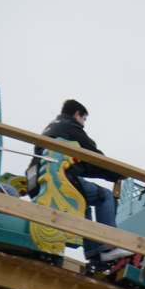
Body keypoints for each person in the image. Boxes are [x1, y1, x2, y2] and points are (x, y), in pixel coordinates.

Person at [32, 99, 121, 263]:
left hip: (40, 179)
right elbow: (93, 156)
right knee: (105, 196)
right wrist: (116, 173)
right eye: (84, 119)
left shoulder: (51, 128)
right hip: (62, 179)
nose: (84, 124)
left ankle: (96, 252)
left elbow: (83, 166)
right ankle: (108, 247)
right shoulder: (71, 127)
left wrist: (107, 174)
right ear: (77, 114)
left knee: (83, 199)